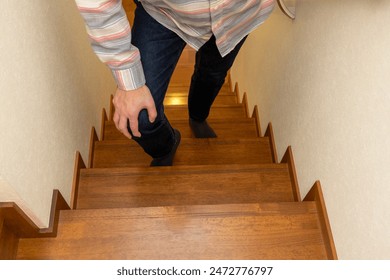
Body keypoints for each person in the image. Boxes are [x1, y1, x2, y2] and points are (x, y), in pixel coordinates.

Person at [75, 0, 275, 166]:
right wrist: (126, 73)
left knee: (211, 76)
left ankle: (197, 116)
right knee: (141, 119)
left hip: (238, 16)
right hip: (163, 12)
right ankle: (167, 145)